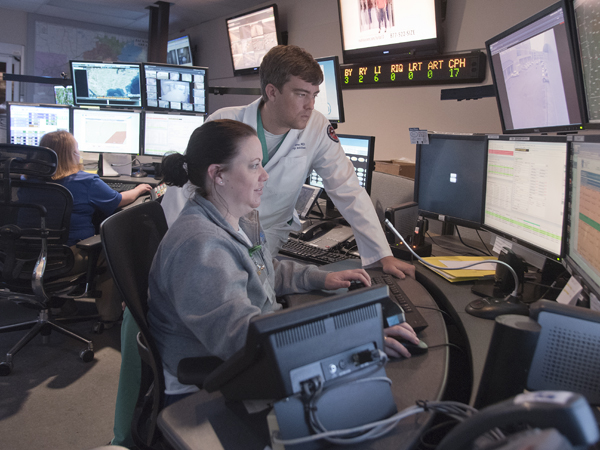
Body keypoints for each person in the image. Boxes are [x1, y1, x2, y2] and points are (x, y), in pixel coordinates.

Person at [148, 119, 420, 406]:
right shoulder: (201, 246)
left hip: (257, 340)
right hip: (216, 379)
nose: (265, 175)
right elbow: (243, 339)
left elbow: (262, 269)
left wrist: (318, 278)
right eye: (254, 165)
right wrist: (352, 341)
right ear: (218, 175)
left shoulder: (237, 217)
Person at [161, 45, 416, 281]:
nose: (310, 105)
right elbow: (186, 188)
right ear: (272, 91)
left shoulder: (316, 126)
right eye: (301, 94)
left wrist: (382, 254)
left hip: (269, 230)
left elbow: (347, 188)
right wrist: (167, 259)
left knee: (257, 287)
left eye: (314, 95)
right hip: (220, 229)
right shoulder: (225, 123)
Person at [39, 130, 152, 321]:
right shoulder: (85, 181)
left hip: (27, 257)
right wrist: (139, 189)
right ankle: (109, 316)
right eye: (77, 150)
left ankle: (63, 306)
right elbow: (119, 200)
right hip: (67, 257)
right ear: (72, 155)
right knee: (113, 251)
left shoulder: (26, 179)